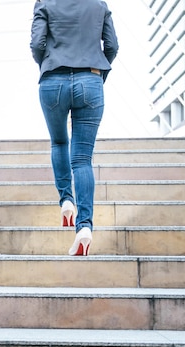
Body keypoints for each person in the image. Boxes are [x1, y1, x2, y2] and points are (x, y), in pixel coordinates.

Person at [30, 0, 118, 256]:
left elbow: (37, 44)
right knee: (82, 160)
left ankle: (66, 200)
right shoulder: (98, 4)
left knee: (59, 142)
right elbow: (111, 45)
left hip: (53, 80)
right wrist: (97, 73)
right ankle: (85, 228)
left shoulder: (44, 3)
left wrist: (47, 64)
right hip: (90, 80)